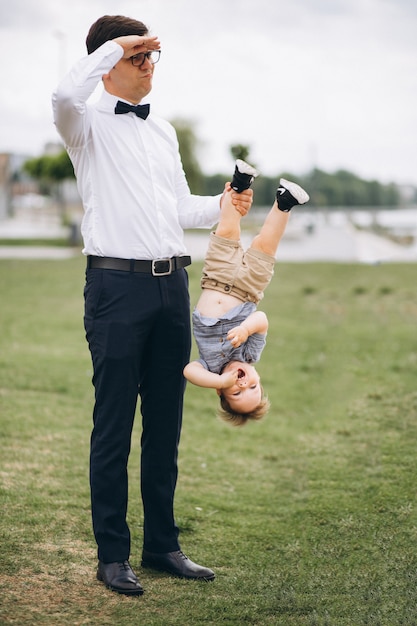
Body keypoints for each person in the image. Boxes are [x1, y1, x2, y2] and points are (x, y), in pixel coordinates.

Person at [52, 15, 253, 596]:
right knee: (114, 425)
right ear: (108, 60)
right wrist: (117, 42)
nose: (147, 65)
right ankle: (112, 556)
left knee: (166, 424)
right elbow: (65, 90)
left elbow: (175, 209)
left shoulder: (161, 131)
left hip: (172, 290)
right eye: (138, 55)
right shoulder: (82, 122)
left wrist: (223, 204)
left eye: (150, 56)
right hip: (115, 291)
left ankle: (163, 546)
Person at [184, 169, 309, 426]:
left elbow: (188, 372)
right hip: (249, 287)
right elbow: (261, 319)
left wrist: (219, 379)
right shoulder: (250, 354)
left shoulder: (209, 367)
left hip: (217, 275)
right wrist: (244, 328)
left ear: (220, 390)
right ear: (258, 378)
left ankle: (240, 184)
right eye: (254, 388)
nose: (244, 384)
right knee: (266, 245)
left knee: (227, 230)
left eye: (236, 392)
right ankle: (284, 203)